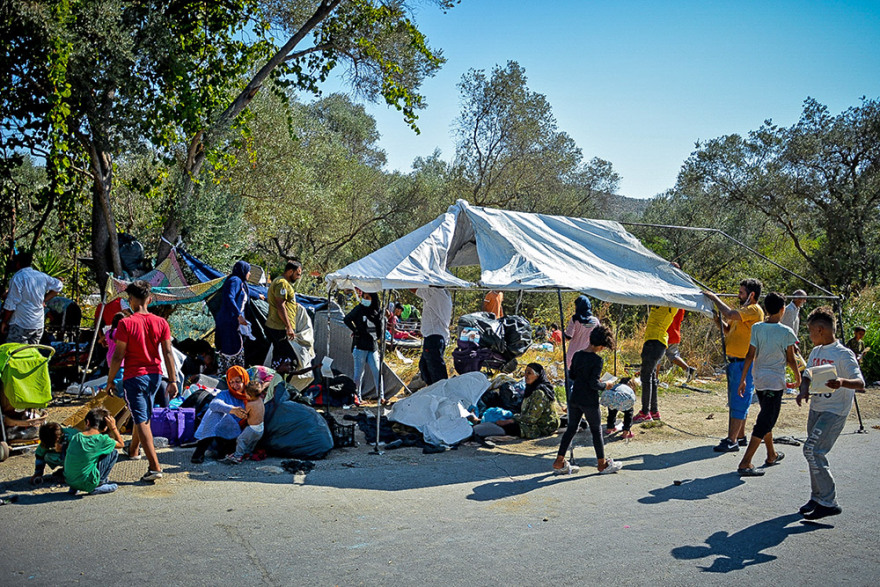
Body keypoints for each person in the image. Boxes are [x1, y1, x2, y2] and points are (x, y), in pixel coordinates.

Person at [106, 281, 178, 482]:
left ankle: (154, 466)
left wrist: (110, 380)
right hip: (155, 376)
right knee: (143, 415)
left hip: (133, 376)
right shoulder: (161, 322)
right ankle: (133, 449)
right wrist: (173, 380)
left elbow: (118, 355)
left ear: (130, 300)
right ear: (150, 299)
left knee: (141, 419)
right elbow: (168, 352)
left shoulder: (125, 323)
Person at [796, 307, 864, 520]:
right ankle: (817, 497)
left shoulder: (843, 354)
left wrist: (842, 382)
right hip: (816, 408)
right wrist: (804, 389)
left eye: (810, 331)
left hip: (834, 412)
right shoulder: (816, 351)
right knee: (812, 454)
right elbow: (807, 374)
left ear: (820, 329)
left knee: (812, 451)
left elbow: (860, 382)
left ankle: (829, 502)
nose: (809, 335)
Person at [735, 292, 801, 477]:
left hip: (759, 379)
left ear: (766, 309)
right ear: (782, 309)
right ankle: (745, 462)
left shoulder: (757, 328)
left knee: (766, 416)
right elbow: (791, 358)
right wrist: (798, 377)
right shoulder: (786, 332)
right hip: (774, 382)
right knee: (766, 420)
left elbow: (750, 354)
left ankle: (771, 454)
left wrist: (743, 380)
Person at [703, 279, 765, 452]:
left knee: (739, 401)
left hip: (744, 363)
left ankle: (731, 440)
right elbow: (728, 329)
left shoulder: (753, 310)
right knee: (738, 401)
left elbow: (729, 314)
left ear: (751, 295)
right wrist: (716, 318)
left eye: (742, 293)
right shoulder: (742, 313)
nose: (739, 295)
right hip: (735, 362)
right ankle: (740, 436)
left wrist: (715, 298)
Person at [552, 325, 622, 475]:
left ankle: (559, 460)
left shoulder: (577, 355)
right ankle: (602, 464)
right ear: (602, 346)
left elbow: (572, 376)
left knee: (571, 429)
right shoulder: (597, 360)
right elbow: (593, 384)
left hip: (575, 397)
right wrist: (606, 385)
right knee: (596, 431)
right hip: (589, 400)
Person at [483, 363, 560, 439]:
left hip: (544, 425)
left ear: (537, 376)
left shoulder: (539, 392)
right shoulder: (531, 389)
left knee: (509, 427)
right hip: (534, 421)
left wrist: (512, 420)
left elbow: (532, 418)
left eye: (529, 373)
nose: (526, 376)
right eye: (525, 373)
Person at [191, 366, 251, 463]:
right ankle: (200, 449)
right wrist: (232, 410)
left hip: (238, 437)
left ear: (244, 380)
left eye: (237, 381)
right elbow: (214, 404)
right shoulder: (225, 394)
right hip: (217, 434)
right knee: (216, 411)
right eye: (231, 382)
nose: (234, 385)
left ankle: (214, 450)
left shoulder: (251, 395)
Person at [1, 251, 63, 343]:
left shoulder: (18, 278)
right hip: (37, 324)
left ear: (18, 263)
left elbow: (11, 304)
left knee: (16, 353)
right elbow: (59, 285)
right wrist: (44, 299)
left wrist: (4, 322)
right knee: (32, 354)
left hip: (21, 323)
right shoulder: (41, 276)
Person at [632, 306, 678, 424]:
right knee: (651, 377)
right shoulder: (661, 302)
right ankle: (653, 411)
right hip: (656, 341)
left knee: (646, 378)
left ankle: (645, 412)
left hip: (655, 342)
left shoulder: (669, 303)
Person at [64, 408, 124, 495]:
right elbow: (121, 444)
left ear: (87, 422)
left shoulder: (76, 437)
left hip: (70, 480)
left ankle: (75, 487)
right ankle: (98, 485)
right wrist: (114, 428)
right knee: (112, 452)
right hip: (87, 483)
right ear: (105, 428)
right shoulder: (102, 440)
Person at [343, 290, 383, 403]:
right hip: (360, 346)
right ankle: (357, 397)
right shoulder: (359, 309)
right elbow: (346, 319)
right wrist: (355, 330)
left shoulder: (377, 311)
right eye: (364, 297)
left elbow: (380, 328)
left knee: (377, 371)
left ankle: (381, 397)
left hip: (372, 346)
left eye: (368, 297)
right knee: (358, 374)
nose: (365, 299)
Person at [214, 260, 251, 372]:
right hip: (228, 323)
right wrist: (238, 315)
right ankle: (230, 380)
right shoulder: (235, 281)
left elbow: (244, 292)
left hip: (231, 322)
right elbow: (230, 297)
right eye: (249, 271)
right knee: (230, 353)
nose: (249, 274)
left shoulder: (239, 282)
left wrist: (258, 295)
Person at [266, 260, 303, 366]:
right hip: (279, 327)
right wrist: (288, 326)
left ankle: (277, 380)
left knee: (279, 356)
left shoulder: (282, 282)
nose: (298, 277)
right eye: (297, 274)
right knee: (286, 360)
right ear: (290, 271)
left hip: (279, 326)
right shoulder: (282, 283)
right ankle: (279, 380)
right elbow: (280, 305)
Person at [414, 287, 452, 386]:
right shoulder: (444, 294)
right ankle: (434, 389)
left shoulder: (434, 292)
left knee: (435, 370)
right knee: (425, 367)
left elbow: (414, 289)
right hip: (436, 336)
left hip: (433, 336)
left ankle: (440, 391)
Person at [222, 381, 266, 464]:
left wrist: (237, 411)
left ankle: (238, 456)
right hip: (261, 428)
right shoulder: (260, 400)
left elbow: (245, 415)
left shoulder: (250, 404)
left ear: (249, 395)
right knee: (251, 442)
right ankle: (247, 454)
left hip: (252, 428)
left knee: (241, 439)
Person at [563, 295, 599, 374]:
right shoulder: (595, 321)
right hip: (588, 353)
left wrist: (563, 332)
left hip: (573, 354)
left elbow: (568, 336)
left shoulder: (575, 319)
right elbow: (599, 336)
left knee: (571, 379)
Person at [664, 309, 697, 383]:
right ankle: (688, 369)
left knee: (657, 356)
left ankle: (654, 380)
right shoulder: (681, 307)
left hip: (667, 333)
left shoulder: (670, 306)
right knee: (673, 355)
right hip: (675, 333)